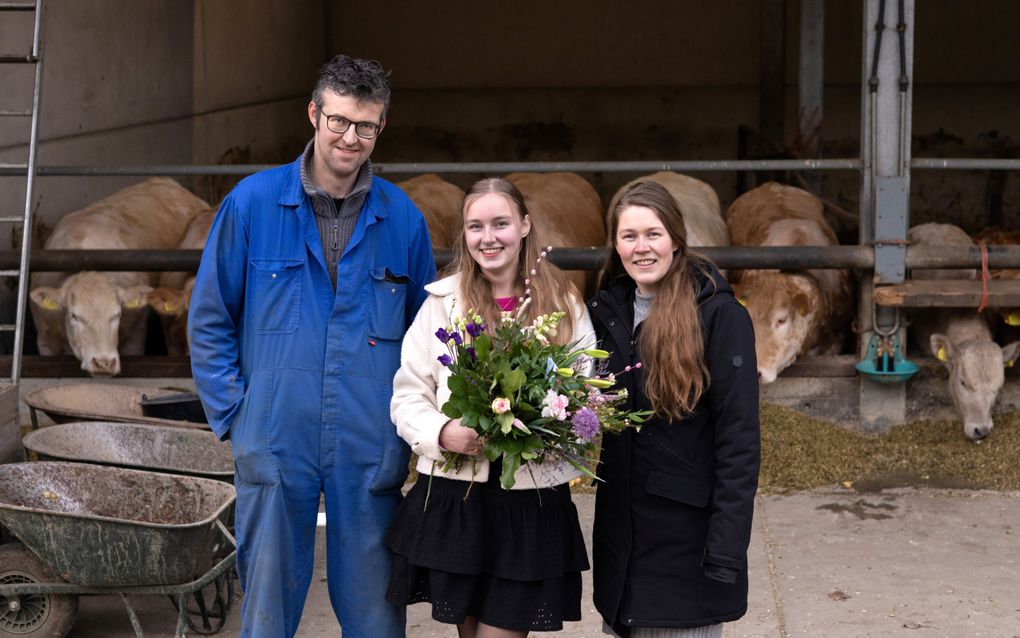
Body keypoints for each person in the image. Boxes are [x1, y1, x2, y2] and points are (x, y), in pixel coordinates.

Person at [188, 54, 436, 638]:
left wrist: (415, 427)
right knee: (268, 611)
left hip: (369, 438)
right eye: (340, 121)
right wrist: (235, 415)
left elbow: (429, 335)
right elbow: (208, 318)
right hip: (274, 432)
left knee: (376, 612)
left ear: (382, 127)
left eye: (366, 125)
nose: (351, 138)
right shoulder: (250, 204)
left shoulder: (402, 219)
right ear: (314, 114)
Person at [385, 177, 595, 637]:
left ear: (524, 225)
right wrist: (442, 433)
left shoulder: (563, 305)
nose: (488, 237)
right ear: (464, 235)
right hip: (456, 497)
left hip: (528, 503)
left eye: (500, 223)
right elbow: (407, 394)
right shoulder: (441, 304)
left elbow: (583, 396)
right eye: (475, 226)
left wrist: (544, 424)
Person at [589, 181, 760, 638]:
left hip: (687, 550)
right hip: (623, 550)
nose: (641, 247)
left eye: (653, 234)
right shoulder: (607, 312)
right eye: (628, 236)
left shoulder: (719, 316)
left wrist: (725, 552)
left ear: (677, 238)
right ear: (615, 244)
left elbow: (740, 442)